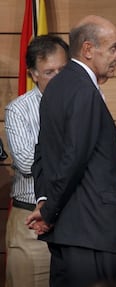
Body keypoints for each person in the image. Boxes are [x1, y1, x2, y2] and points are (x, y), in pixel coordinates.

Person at [25, 15, 116, 287]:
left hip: (70, 232)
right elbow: (74, 158)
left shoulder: (56, 87)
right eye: (113, 48)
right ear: (88, 50)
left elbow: (42, 154)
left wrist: (45, 199)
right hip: (91, 232)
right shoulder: (83, 90)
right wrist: (48, 212)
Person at [4, 34, 69, 287]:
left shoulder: (87, 102)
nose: (58, 78)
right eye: (49, 71)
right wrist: (72, 157)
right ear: (33, 74)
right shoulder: (19, 109)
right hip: (31, 220)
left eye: (62, 70)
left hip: (72, 220)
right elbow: (25, 161)